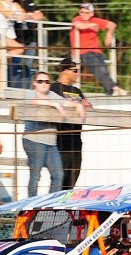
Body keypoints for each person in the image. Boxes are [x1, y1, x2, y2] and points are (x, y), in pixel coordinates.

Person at [23, 72, 86, 197]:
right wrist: (54, 104)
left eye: (47, 81)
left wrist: (78, 105)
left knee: (58, 175)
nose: (44, 84)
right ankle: (31, 204)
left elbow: (66, 103)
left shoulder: (52, 95)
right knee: (36, 175)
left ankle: (50, 203)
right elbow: (34, 102)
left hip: (51, 142)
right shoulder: (31, 94)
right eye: (40, 81)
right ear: (34, 83)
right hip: (34, 140)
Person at [50, 56, 93, 190]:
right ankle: (54, 202)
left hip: (76, 140)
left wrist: (80, 104)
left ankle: (66, 202)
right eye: (75, 70)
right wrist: (77, 104)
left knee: (72, 180)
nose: (77, 74)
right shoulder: (54, 88)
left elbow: (89, 106)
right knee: (59, 180)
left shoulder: (77, 90)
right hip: (61, 140)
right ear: (65, 70)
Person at [70, 3, 128, 96]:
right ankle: (115, 88)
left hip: (96, 51)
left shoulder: (94, 20)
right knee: (99, 69)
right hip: (83, 51)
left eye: (86, 12)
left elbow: (112, 25)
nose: (83, 14)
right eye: (82, 12)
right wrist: (91, 25)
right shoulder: (77, 19)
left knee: (104, 70)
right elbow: (78, 25)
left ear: (91, 13)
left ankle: (110, 91)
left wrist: (108, 35)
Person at [0, 0, 26, 88]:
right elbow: (8, 15)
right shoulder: (0, 3)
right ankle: (4, 56)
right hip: (1, 33)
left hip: (11, 34)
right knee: (20, 49)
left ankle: (3, 87)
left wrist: (19, 16)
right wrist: (17, 16)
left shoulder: (15, 4)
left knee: (5, 64)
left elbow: (24, 15)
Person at [13, 0, 45, 88]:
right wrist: (31, 15)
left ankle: (25, 88)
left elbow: (40, 16)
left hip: (31, 39)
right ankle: (12, 88)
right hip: (16, 39)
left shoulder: (30, 2)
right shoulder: (13, 2)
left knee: (28, 66)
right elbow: (14, 17)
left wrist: (27, 16)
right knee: (14, 66)